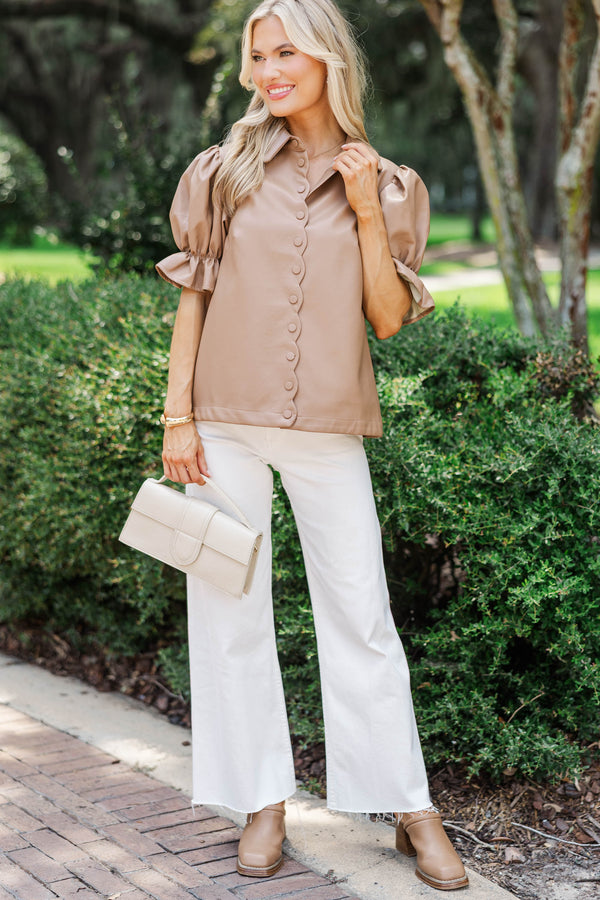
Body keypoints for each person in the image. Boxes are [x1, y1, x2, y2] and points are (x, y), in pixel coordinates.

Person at [156, 0, 467, 891]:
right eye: (257, 57)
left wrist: (367, 210)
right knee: (229, 614)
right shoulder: (224, 172)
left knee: (361, 615)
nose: (267, 71)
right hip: (222, 425)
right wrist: (178, 416)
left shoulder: (390, 182)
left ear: (329, 57)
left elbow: (389, 317)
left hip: (327, 429)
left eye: (284, 51)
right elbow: (195, 299)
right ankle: (262, 802)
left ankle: (410, 808)